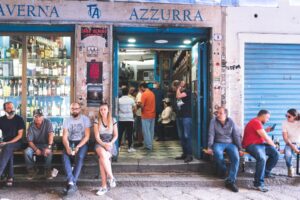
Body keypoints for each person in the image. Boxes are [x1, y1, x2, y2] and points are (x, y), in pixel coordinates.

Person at [207, 107, 243, 192]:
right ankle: (223, 172)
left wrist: (240, 148)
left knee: (236, 157)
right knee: (218, 155)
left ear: (225, 114)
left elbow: (236, 135)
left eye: (220, 113)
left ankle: (230, 181)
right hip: (218, 143)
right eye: (217, 113)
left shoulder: (231, 121)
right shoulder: (213, 121)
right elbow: (211, 134)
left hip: (230, 143)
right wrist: (209, 147)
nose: (218, 115)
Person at [242, 110, 279, 192]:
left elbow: (259, 134)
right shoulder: (256, 122)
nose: (268, 120)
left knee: (275, 154)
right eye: (267, 118)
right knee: (262, 159)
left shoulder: (258, 123)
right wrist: (274, 145)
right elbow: (266, 137)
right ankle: (258, 184)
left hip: (260, 144)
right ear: (262, 116)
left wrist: (266, 130)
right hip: (252, 145)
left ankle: (265, 172)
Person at [62, 102, 91, 195]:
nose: (74, 110)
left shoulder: (85, 119)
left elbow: (87, 136)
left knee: (80, 156)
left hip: (82, 142)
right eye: (72, 109)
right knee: (65, 155)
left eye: (76, 108)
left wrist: (78, 146)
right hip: (70, 142)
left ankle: (71, 183)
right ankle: (72, 183)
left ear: (80, 109)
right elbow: (64, 137)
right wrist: (67, 147)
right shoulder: (67, 120)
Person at [94, 102, 118, 196]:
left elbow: (116, 135)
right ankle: (111, 178)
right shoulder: (97, 120)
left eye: (104, 109)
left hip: (110, 143)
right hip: (100, 143)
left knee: (101, 159)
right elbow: (97, 137)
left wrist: (110, 143)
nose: (103, 111)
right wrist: (104, 144)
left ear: (108, 110)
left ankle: (104, 187)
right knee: (103, 155)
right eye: (101, 110)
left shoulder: (113, 120)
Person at [0, 102, 25, 187]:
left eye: (12, 107)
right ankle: (10, 177)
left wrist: (6, 143)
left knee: (7, 147)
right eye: (9, 108)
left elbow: (20, 135)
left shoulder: (19, 119)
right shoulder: (1, 119)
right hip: (6, 143)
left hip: (17, 143)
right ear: (5, 110)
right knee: (8, 150)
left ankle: (2, 174)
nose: (11, 109)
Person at [24, 108, 54, 180]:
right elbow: (30, 141)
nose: (38, 118)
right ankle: (32, 170)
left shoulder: (48, 122)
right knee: (27, 151)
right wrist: (36, 149)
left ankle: (47, 170)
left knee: (49, 152)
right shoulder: (31, 125)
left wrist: (49, 147)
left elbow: (51, 135)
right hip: (35, 145)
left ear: (43, 116)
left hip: (46, 144)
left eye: (40, 116)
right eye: (36, 116)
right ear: (33, 117)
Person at [175, 81, 193, 163]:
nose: (178, 87)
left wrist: (178, 88)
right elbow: (179, 102)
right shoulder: (181, 92)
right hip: (180, 116)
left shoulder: (187, 92)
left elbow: (178, 96)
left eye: (180, 85)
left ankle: (190, 155)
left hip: (186, 117)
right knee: (181, 137)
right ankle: (184, 154)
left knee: (187, 136)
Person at [137, 82, 156, 151]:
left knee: (146, 131)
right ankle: (150, 144)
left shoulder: (144, 94)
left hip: (146, 115)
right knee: (151, 131)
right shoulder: (152, 93)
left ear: (142, 87)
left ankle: (148, 146)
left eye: (140, 88)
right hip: (152, 114)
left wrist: (138, 105)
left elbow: (142, 106)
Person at [282, 108, 300, 177]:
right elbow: (285, 137)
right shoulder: (284, 123)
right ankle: (290, 168)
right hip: (289, 143)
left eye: (289, 116)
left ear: (295, 116)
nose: (287, 117)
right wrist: (292, 146)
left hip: (298, 142)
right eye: (286, 115)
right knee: (287, 155)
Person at [118, 87, 136, 153]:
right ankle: (129, 148)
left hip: (121, 119)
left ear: (122, 92)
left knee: (120, 133)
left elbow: (117, 109)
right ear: (128, 92)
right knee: (129, 133)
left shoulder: (119, 100)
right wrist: (132, 114)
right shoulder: (131, 100)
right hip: (129, 119)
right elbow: (135, 108)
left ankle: (118, 147)